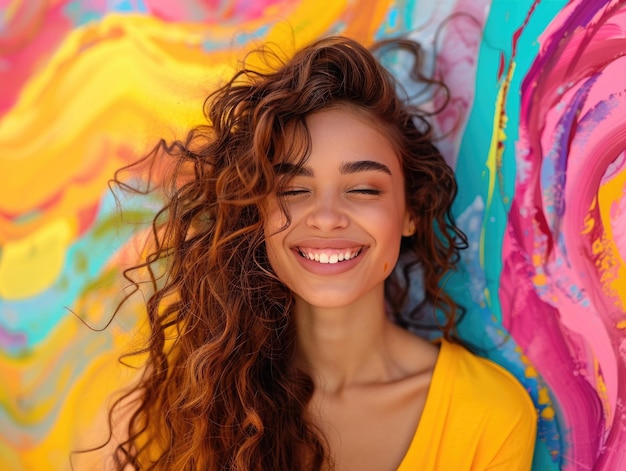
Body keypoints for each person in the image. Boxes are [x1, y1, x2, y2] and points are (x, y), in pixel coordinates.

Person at [101, 35, 537, 470]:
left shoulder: (487, 414)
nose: (327, 217)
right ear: (260, 215)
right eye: (293, 189)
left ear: (410, 213)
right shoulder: (190, 401)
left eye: (364, 189)